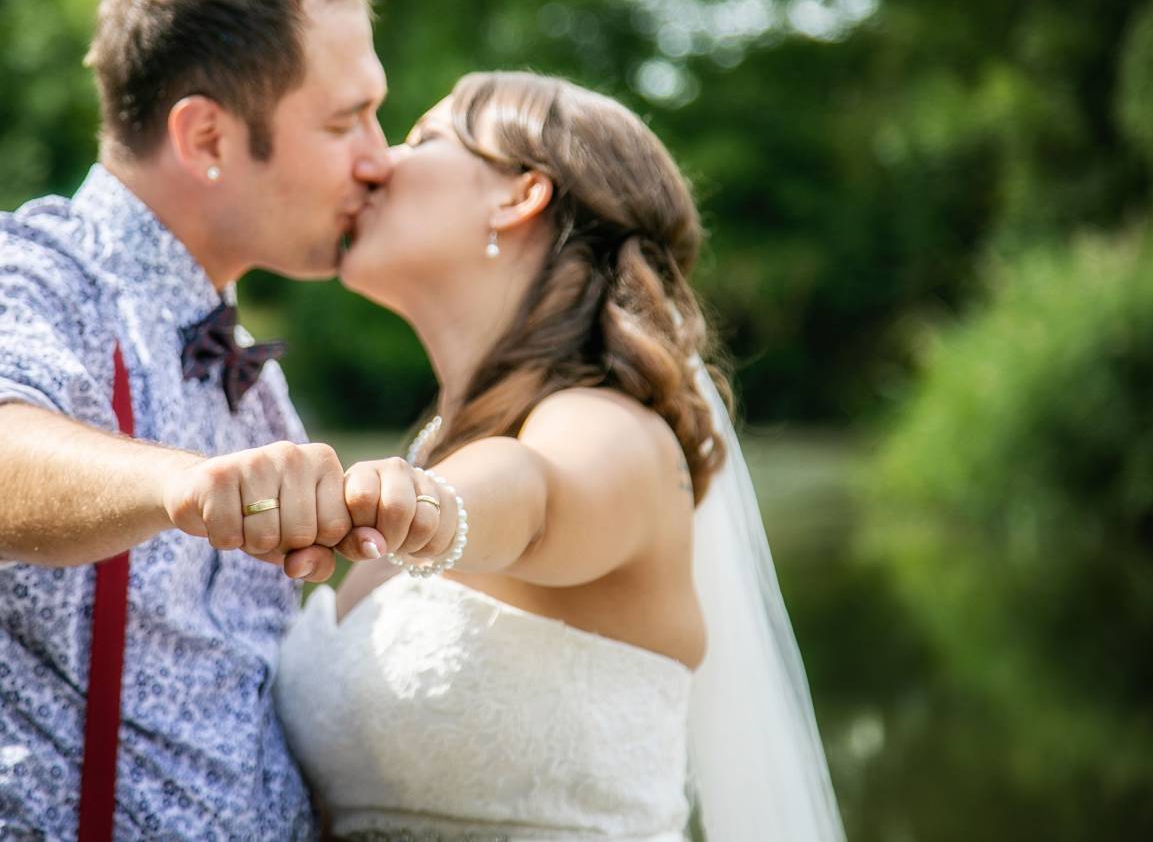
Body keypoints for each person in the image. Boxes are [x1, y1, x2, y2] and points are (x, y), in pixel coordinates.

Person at [0, 0, 406, 841]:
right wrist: (184, 484)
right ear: (207, 138)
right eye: (347, 120)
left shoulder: (256, 385)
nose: (379, 158)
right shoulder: (9, 271)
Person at [275, 71, 847, 840]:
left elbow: (538, 494)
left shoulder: (613, 430)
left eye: (422, 139)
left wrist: (436, 503)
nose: (377, 161)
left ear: (518, 195)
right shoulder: (437, 445)